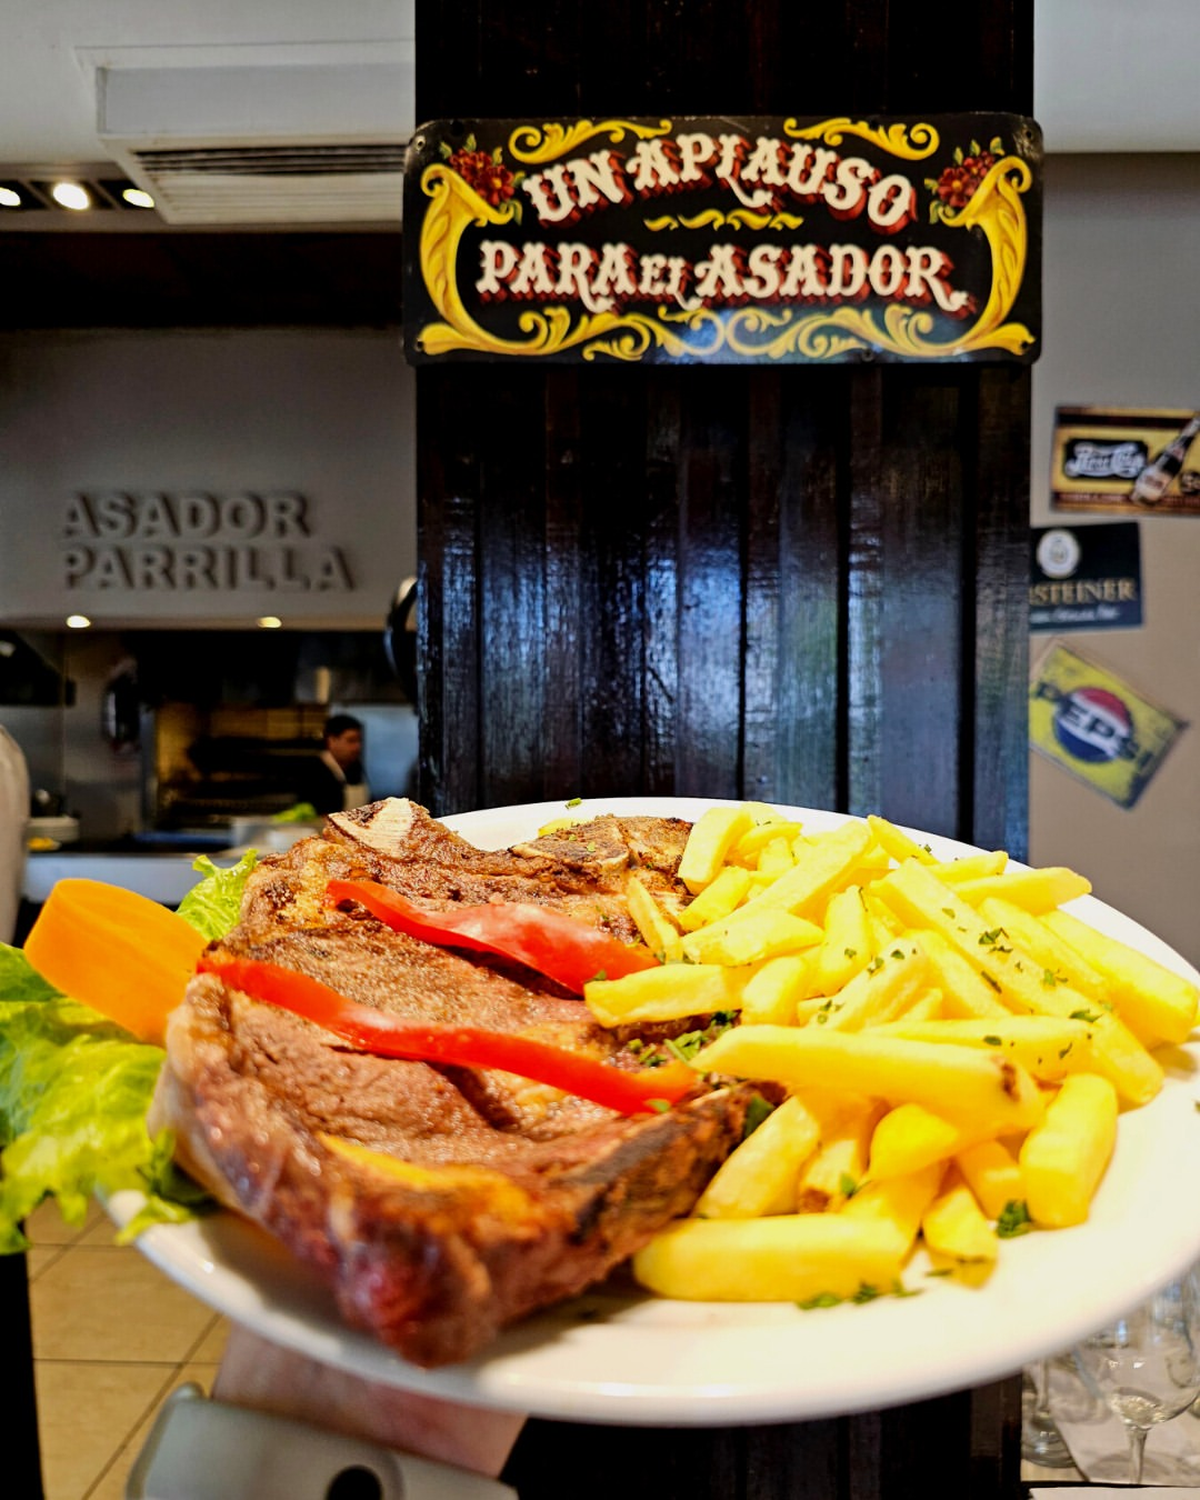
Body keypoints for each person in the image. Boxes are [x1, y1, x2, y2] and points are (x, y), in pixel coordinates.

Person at [302, 713, 370, 815]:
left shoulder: (356, 767)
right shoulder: (315, 770)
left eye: (359, 741)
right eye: (351, 740)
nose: (357, 747)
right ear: (332, 741)